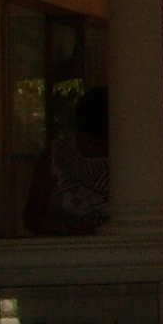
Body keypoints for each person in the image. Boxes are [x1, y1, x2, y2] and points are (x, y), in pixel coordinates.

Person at [25, 85, 110, 236]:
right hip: (64, 244)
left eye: (101, 142)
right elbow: (33, 214)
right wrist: (64, 228)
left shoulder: (130, 160)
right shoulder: (56, 154)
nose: (95, 148)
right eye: (89, 141)